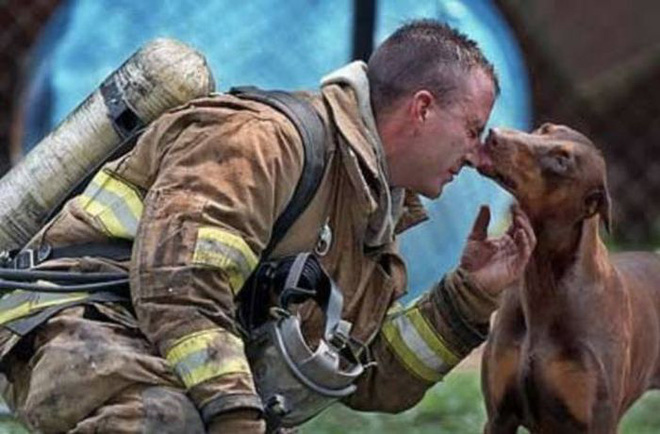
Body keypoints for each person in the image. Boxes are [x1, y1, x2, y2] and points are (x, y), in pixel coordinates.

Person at [0, 19, 535, 433]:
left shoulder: (368, 215)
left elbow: (363, 375)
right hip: (77, 313)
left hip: (159, 343)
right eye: (472, 128)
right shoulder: (265, 141)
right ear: (421, 109)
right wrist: (237, 415)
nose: (476, 156)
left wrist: (467, 298)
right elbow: (182, 284)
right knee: (165, 421)